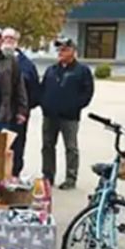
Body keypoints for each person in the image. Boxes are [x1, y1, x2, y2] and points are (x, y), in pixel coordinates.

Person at [40, 37, 94, 190]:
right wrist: (44, 104)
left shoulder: (82, 71)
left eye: (64, 49)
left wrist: (75, 106)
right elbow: (43, 88)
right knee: (47, 146)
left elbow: (87, 93)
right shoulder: (51, 69)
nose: (60, 52)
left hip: (69, 117)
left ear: (72, 51)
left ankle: (71, 178)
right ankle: (48, 176)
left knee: (71, 148)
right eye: (59, 50)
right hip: (50, 115)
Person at [3, 28, 42, 178]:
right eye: (5, 38)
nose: (8, 41)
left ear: (17, 42)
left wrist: (24, 109)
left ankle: (14, 174)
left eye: (11, 38)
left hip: (18, 114)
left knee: (17, 146)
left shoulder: (27, 65)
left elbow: (34, 90)